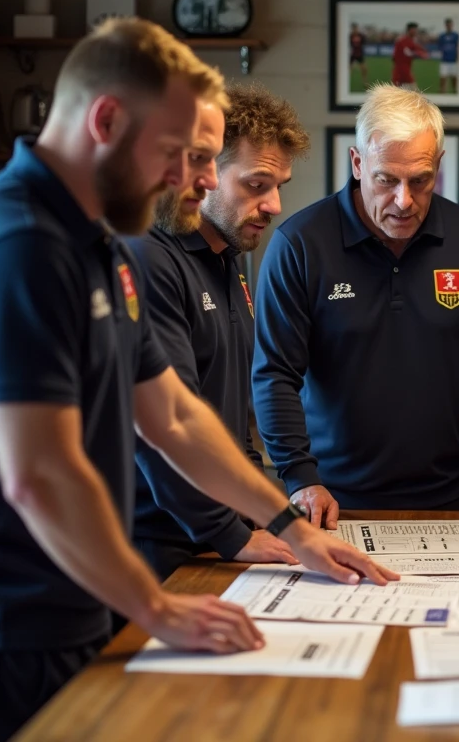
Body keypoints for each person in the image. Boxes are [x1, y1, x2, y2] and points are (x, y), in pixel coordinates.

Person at [0, 18, 394, 742]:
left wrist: (291, 529)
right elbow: (38, 475)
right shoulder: (21, 247)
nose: (191, 179)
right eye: (177, 153)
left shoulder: (98, 244)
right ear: (105, 120)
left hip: (78, 603)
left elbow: (172, 415)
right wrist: (159, 609)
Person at [253, 85, 459, 529]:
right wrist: (298, 478)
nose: (404, 201)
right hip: (329, 503)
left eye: (421, 180)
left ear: (438, 167)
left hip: (448, 500)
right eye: (386, 179)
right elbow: (275, 373)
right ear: (358, 164)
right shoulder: (299, 244)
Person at [127, 82, 311, 582]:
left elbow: (229, 418)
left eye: (279, 187)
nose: (273, 205)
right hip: (157, 543)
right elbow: (166, 428)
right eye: (255, 185)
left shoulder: (228, 258)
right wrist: (236, 534)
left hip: (215, 535)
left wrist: (268, 514)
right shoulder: (148, 258)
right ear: (204, 172)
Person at [391, 22, 430, 91]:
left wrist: (423, 51)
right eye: (415, 30)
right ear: (410, 30)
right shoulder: (403, 40)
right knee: (414, 93)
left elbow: (416, 47)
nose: (416, 32)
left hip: (403, 70)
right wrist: (421, 54)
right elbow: (408, 53)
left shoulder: (409, 40)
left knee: (401, 95)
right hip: (402, 70)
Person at [437, 18, 459, 94]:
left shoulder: (456, 36)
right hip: (444, 61)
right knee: (443, 79)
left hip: (453, 60)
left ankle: (455, 93)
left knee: (454, 80)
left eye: (450, 24)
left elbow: (458, 47)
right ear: (445, 25)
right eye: (447, 24)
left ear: (452, 25)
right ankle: (442, 93)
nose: (449, 26)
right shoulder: (442, 36)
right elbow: (440, 47)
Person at [349, 22, 368, 89]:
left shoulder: (361, 36)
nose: (355, 29)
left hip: (360, 54)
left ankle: (364, 82)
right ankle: (347, 83)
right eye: (354, 28)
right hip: (352, 55)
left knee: (364, 69)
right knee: (349, 70)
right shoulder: (350, 36)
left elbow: (364, 42)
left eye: (356, 28)